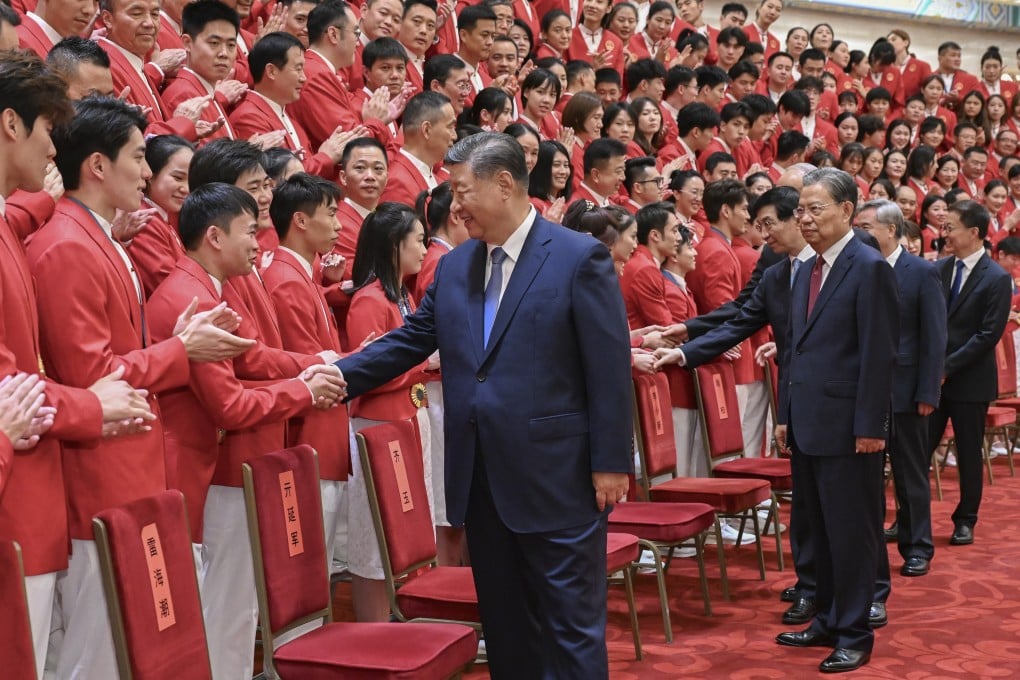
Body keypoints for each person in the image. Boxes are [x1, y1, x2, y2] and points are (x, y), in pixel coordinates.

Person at [335, 131, 632, 678]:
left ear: (504, 184)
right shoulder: (455, 267)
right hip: (482, 481)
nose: (454, 205)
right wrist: (335, 375)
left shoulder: (577, 257)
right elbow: (411, 340)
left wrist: (612, 461)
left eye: (461, 189)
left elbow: (609, 367)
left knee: (570, 627)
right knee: (506, 628)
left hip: (560, 478)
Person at [26, 94, 254, 679]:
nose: (148, 174)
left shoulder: (97, 236)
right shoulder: (68, 244)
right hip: (99, 471)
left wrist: (173, 341)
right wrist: (180, 350)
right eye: (137, 157)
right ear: (98, 166)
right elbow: (92, 381)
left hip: (125, 466)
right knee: (96, 654)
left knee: (119, 646)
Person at [772, 167, 898, 673]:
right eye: (800, 209)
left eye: (815, 208)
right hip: (808, 423)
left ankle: (854, 633)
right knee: (819, 531)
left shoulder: (868, 267)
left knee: (850, 534)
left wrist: (871, 426)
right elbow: (793, 350)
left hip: (849, 428)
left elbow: (878, 354)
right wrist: (785, 414)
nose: (804, 218)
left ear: (847, 210)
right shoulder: (806, 268)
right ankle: (824, 618)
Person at [854, 200, 946, 581]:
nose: (858, 233)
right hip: (865, 391)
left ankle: (918, 546)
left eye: (866, 227)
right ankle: (870, 547)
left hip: (907, 391)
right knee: (867, 477)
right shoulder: (857, 267)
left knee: (910, 475)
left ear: (891, 230)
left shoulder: (921, 272)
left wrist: (928, 391)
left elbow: (935, 337)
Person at [928, 200, 1012, 546]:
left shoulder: (997, 278)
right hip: (932, 380)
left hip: (970, 380)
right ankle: (908, 518)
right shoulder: (939, 269)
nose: (944, 234)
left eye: (950, 228)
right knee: (918, 451)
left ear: (974, 232)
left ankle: (965, 520)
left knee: (968, 452)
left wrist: (946, 367)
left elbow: (987, 335)